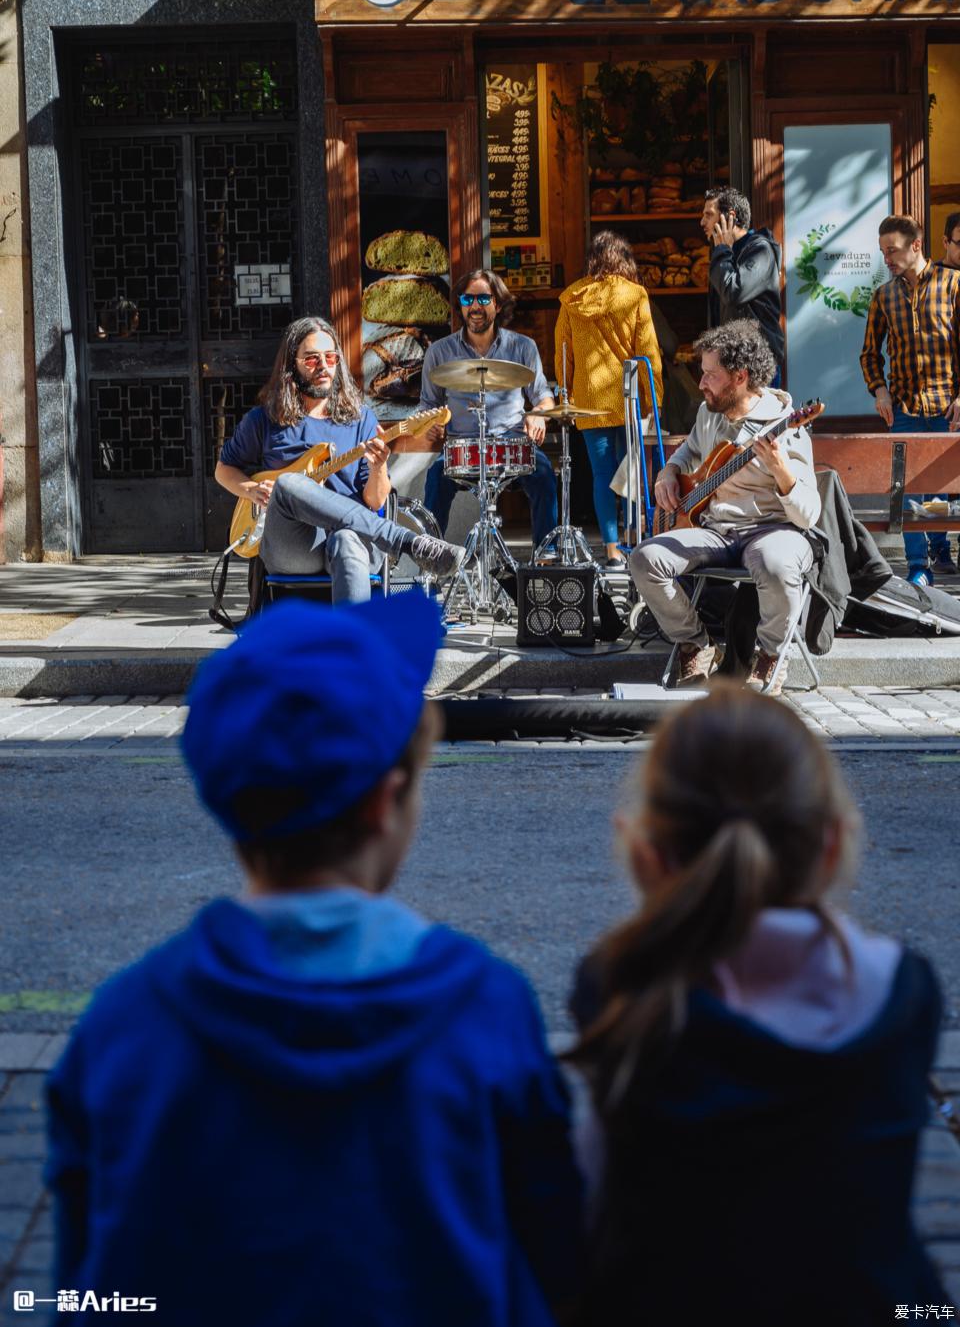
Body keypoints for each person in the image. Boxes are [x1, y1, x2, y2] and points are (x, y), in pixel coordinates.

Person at [45, 592, 584, 1327]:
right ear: (385, 803)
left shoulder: (122, 1025)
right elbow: (555, 1259)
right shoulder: (489, 1010)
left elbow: (85, 1282)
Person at [566, 684, 945, 1327]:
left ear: (646, 853)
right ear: (832, 846)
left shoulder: (619, 985)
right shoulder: (906, 993)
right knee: (931, 1309)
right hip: (881, 1305)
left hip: (665, 1304)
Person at [214, 315, 465, 602]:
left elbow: (375, 502)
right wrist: (250, 489)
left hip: (353, 540)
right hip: (295, 546)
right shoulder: (264, 419)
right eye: (311, 359)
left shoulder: (361, 420)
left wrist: (378, 467)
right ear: (291, 365)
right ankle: (404, 541)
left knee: (347, 539)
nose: (323, 366)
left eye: (331, 357)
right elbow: (224, 469)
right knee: (287, 484)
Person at [630, 318, 820, 695]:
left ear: (740, 377)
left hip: (772, 528)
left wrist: (782, 471)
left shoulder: (787, 424)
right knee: (644, 558)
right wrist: (669, 471)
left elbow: (809, 514)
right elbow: (689, 452)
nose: (700, 384)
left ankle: (769, 655)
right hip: (716, 530)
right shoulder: (709, 413)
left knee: (776, 564)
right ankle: (696, 644)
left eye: (710, 375)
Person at [419, 269, 558, 551]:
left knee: (543, 473)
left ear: (497, 303)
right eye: (468, 299)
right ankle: (430, 560)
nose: (475, 306)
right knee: (435, 478)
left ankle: (547, 556)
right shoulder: (439, 352)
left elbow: (544, 396)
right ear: (460, 304)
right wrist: (432, 423)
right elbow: (427, 404)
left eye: (484, 298)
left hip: (511, 443)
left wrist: (538, 413)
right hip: (462, 446)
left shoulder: (522, 347)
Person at [860, 214, 960, 586]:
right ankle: (919, 566)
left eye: (892, 250)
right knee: (906, 492)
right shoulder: (883, 296)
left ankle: (940, 545)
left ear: (916, 246)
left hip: (947, 407)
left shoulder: (953, 284)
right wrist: (879, 390)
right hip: (904, 409)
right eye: (883, 251)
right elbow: (870, 353)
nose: (886, 258)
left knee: (940, 492)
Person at [555, 231, 663, 569]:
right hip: (627, 396)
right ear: (624, 260)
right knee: (632, 471)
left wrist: (566, 394)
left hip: (589, 398)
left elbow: (563, 354)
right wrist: (654, 397)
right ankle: (636, 539)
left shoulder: (572, 298)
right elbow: (648, 350)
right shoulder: (635, 295)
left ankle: (612, 549)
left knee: (603, 475)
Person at [701, 186, 785, 387]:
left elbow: (734, 292)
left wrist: (722, 249)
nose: (702, 222)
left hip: (756, 367)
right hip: (731, 364)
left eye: (708, 215)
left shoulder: (759, 250)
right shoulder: (727, 254)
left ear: (730, 216)